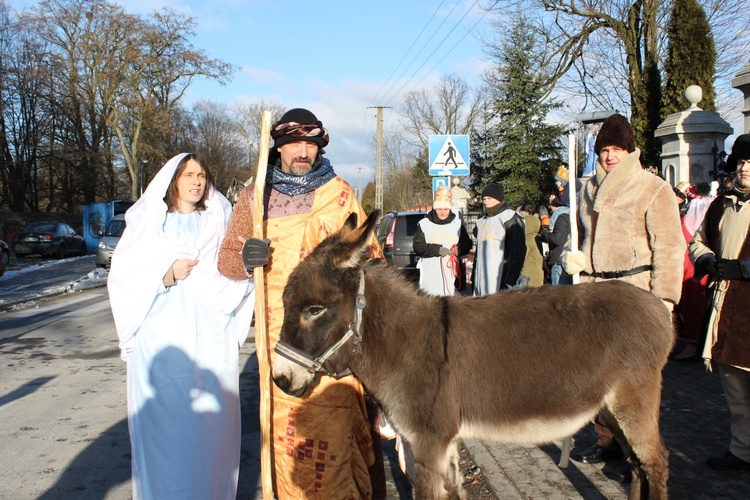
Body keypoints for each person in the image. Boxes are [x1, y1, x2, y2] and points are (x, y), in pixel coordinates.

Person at [217, 108, 385, 498]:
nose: (303, 152)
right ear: (278, 146)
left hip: (333, 342)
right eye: (295, 143)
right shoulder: (255, 194)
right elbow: (226, 258)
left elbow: (371, 260)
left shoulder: (339, 194)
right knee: (284, 443)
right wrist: (245, 258)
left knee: (337, 437)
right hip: (279, 342)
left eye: (311, 143)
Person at [108, 153, 254, 499]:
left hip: (209, 336)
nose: (196, 181)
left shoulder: (218, 219)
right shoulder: (151, 223)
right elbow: (123, 276)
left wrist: (248, 264)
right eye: (188, 174)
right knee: (166, 431)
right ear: (173, 180)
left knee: (209, 430)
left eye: (201, 174)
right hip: (160, 340)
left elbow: (232, 271)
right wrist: (165, 274)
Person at [563, 113, 685, 483]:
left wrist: (664, 300)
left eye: (617, 149)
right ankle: (607, 442)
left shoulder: (652, 187)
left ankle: (641, 452)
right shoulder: (586, 189)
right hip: (595, 293)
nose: (610, 156)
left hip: (635, 296)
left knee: (635, 383)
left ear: (629, 151)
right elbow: (585, 235)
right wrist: (575, 255)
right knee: (598, 375)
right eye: (604, 149)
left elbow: (670, 246)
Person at [689, 133, 750, 471]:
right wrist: (707, 259)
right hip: (725, 308)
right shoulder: (720, 206)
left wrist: (742, 268)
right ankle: (743, 450)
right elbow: (697, 241)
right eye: (741, 162)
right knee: (735, 389)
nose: (745, 169)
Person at [412, 185, 472, 296]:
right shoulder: (424, 224)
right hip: (430, 273)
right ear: (435, 209)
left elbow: (467, 244)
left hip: (452, 273)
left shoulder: (457, 224)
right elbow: (418, 246)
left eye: (445, 209)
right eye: (439, 209)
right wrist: (436, 249)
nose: (443, 213)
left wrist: (459, 250)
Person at [472, 182, 526, 294]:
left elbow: (517, 252)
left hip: (499, 277)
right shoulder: (482, 220)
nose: (485, 201)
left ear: (498, 199)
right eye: (484, 198)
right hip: (480, 278)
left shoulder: (510, 218)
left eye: (489, 198)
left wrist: (510, 280)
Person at [540, 195, 572, 286]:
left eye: (552, 203)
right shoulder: (574, 217)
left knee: (557, 294)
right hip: (569, 259)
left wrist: (544, 232)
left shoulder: (562, 217)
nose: (549, 207)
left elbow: (556, 239)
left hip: (559, 260)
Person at [518, 201, 544, 287]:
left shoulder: (525, 239)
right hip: (538, 275)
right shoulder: (537, 238)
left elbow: (520, 259)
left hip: (526, 278)